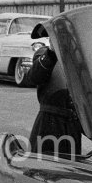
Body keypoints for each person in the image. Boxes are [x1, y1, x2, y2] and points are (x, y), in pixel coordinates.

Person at [26, 22, 82, 157]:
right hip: (49, 123)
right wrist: (51, 52)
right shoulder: (44, 54)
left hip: (72, 127)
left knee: (70, 170)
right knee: (44, 168)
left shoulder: (78, 59)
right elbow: (34, 77)